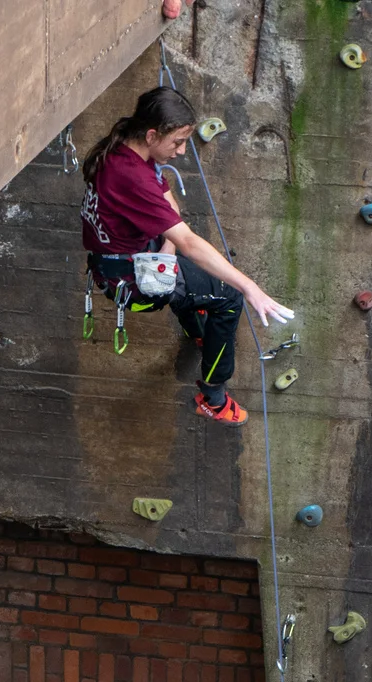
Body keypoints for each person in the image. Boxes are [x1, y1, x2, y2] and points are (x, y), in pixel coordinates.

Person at [79, 86, 294, 427]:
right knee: (227, 295)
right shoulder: (131, 177)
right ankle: (213, 396)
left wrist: (169, 245)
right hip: (132, 281)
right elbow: (189, 240)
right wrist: (250, 287)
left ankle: (197, 329)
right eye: (177, 142)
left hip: (122, 255)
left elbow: (164, 197)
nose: (181, 152)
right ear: (152, 134)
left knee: (195, 271)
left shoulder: (123, 143)